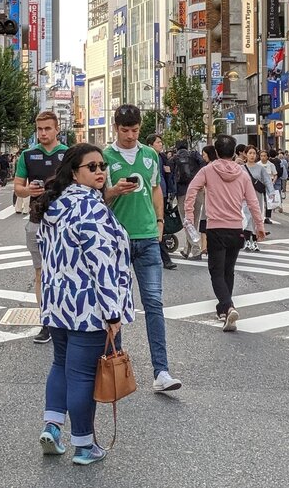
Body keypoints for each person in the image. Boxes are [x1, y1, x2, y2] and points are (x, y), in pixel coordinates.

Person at [35, 143, 134, 465]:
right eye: (92, 167)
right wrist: (112, 311)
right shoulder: (91, 208)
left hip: (57, 301)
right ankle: (83, 444)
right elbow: (102, 263)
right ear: (74, 172)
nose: (100, 171)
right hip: (87, 306)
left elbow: (45, 252)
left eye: (102, 165)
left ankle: (52, 426)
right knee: (81, 375)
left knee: (60, 365)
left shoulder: (55, 205)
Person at [104, 104, 181, 392]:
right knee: (117, 306)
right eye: (125, 130)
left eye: (135, 130)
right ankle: (117, 367)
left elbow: (156, 188)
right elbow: (100, 197)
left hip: (148, 236)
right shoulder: (104, 157)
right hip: (117, 239)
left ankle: (161, 371)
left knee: (154, 304)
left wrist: (160, 222)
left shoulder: (150, 156)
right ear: (116, 128)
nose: (130, 136)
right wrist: (113, 191)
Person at [184, 135, 265, 331]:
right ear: (235, 151)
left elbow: (191, 190)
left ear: (217, 152)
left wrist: (188, 215)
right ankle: (223, 309)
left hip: (215, 228)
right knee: (228, 270)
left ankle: (228, 307)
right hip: (236, 227)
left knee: (216, 271)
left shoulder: (208, 170)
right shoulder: (242, 173)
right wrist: (259, 225)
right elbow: (253, 201)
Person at [14, 111, 68, 344]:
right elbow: (18, 187)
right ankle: (46, 321)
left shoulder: (68, 154)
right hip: (37, 220)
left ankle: (65, 317)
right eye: (39, 129)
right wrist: (28, 191)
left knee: (66, 272)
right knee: (40, 272)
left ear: (57, 129)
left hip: (66, 222)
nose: (43, 133)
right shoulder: (27, 155)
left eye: (48, 128)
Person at [146, 133, 177, 270]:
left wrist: (171, 192)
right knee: (156, 225)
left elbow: (167, 175)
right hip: (151, 194)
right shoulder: (147, 157)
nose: (160, 144)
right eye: (158, 142)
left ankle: (162, 256)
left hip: (162, 193)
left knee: (159, 224)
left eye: (160, 142)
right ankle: (165, 258)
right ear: (150, 145)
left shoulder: (162, 157)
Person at [172, 140, 205, 259]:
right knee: (194, 221)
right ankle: (187, 249)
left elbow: (170, 175)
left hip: (182, 192)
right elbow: (203, 164)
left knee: (186, 222)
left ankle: (196, 250)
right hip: (197, 190)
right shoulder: (195, 155)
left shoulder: (174, 158)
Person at [242, 145, 274, 251]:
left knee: (257, 218)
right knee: (247, 218)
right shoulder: (241, 169)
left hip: (257, 197)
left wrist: (271, 192)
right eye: (250, 153)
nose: (252, 155)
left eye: (254, 153)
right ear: (245, 154)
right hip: (244, 198)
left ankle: (255, 241)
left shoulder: (260, 169)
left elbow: (267, 181)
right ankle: (247, 241)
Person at [198, 145, 218, 255]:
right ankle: (207, 246)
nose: (203, 157)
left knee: (204, 223)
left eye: (204, 154)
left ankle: (204, 246)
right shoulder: (219, 166)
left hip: (209, 199)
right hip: (217, 201)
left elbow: (198, 185)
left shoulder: (208, 168)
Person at [260, 150, 278, 223]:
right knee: (260, 201)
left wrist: (273, 182)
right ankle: (259, 216)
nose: (263, 157)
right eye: (261, 156)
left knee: (268, 201)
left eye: (264, 156)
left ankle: (267, 217)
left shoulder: (271, 165)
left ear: (267, 157)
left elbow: (275, 174)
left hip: (269, 184)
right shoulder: (258, 165)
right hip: (260, 184)